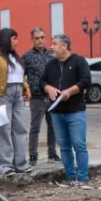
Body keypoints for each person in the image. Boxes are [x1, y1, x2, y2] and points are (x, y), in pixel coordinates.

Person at [39, 34, 93, 189]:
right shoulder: (50, 64)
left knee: (79, 144)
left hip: (75, 111)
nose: (51, 47)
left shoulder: (79, 61)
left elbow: (86, 81)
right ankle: (70, 176)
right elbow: (42, 81)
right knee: (63, 146)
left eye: (54, 44)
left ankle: (83, 178)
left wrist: (69, 92)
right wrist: (48, 88)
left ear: (64, 46)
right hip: (57, 112)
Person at [0, 27, 31, 175]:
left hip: (18, 94)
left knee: (20, 128)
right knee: (4, 130)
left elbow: (20, 75)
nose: (16, 42)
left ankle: (21, 164)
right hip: (2, 94)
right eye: (14, 38)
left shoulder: (15, 57)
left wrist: (26, 88)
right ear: (5, 39)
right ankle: (5, 166)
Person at [21, 26, 59, 164]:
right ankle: (33, 155)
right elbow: (20, 76)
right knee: (35, 127)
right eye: (37, 38)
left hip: (52, 97)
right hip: (37, 97)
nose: (40, 40)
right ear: (32, 39)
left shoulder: (52, 55)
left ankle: (52, 153)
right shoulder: (26, 57)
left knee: (53, 126)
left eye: (42, 37)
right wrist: (26, 89)